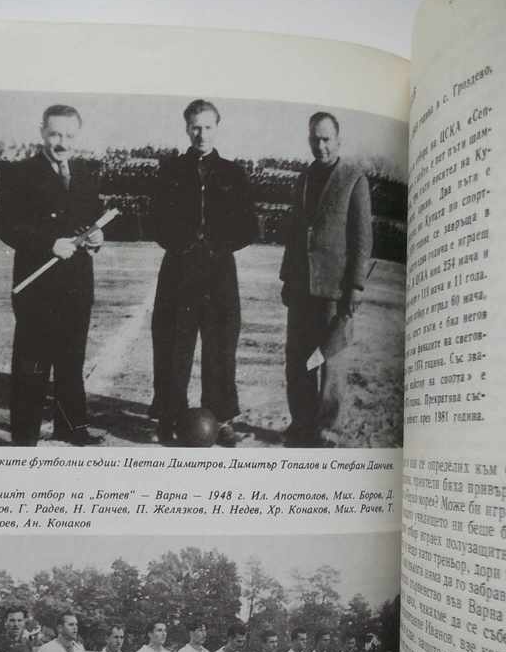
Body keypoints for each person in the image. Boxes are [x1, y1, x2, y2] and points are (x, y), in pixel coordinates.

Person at [150, 99, 256, 446]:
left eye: (208, 127)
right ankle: (167, 416)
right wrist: (182, 244)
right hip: (178, 271)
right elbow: (154, 222)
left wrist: (216, 245)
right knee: (171, 346)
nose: (201, 133)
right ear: (186, 127)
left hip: (219, 273)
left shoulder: (233, 173)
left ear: (217, 128)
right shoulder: (169, 170)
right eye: (195, 126)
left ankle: (222, 418)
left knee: (221, 347)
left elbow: (249, 227)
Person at [0, 104, 105, 446]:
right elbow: (6, 226)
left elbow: (94, 216)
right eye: (55, 133)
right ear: (41, 130)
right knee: (33, 361)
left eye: (69, 135)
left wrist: (96, 237)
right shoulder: (20, 173)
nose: (62, 142)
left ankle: (71, 426)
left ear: (78, 135)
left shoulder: (86, 173)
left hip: (77, 284)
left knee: (72, 358)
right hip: (37, 283)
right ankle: (25, 434)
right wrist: (49, 243)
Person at [279, 112, 373, 446]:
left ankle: (327, 429)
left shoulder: (353, 178)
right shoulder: (303, 178)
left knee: (331, 359)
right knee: (298, 358)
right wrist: (286, 278)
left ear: (338, 139)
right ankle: (302, 422)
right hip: (302, 286)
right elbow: (293, 232)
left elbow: (362, 239)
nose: (320, 145)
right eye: (314, 139)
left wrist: (356, 286)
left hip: (335, 289)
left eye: (326, 138)